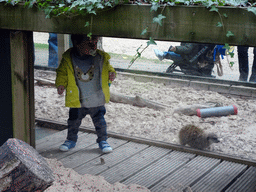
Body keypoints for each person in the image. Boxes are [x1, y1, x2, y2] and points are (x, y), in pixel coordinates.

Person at [55, 34, 116, 153]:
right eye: (89, 43)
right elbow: (62, 73)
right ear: (77, 44)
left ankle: (103, 140)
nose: (94, 45)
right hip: (78, 100)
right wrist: (60, 84)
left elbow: (109, 69)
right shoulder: (69, 58)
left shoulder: (100, 57)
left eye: (96, 42)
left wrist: (112, 74)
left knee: (100, 122)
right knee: (73, 121)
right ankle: (70, 140)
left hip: (96, 98)